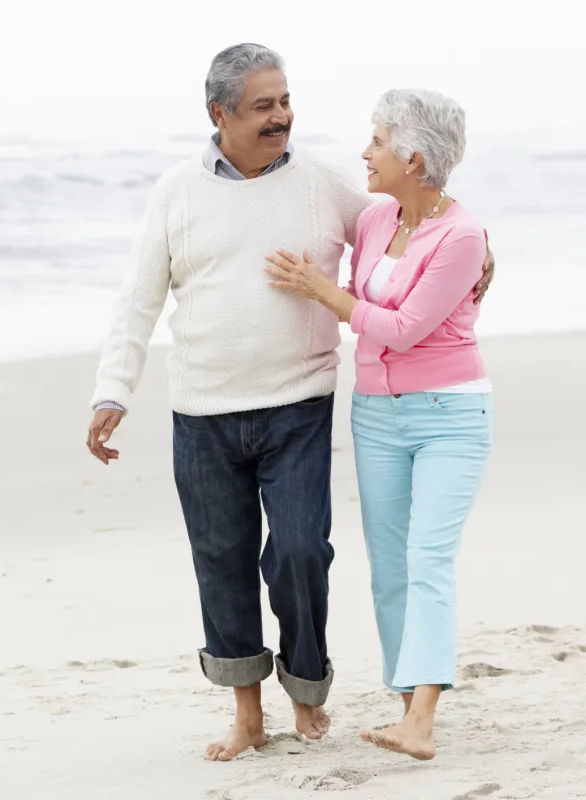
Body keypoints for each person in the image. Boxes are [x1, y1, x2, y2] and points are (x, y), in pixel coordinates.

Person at [87, 46, 493, 763]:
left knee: (302, 551)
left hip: (298, 405)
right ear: (220, 114)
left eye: (284, 100)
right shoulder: (177, 191)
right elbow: (138, 298)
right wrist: (113, 390)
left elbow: (415, 219)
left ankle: (307, 685)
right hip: (204, 408)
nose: (283, 117)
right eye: (264, 106)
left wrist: (482, 253)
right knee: (223, 560)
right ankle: (248, 713)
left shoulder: (323, 184)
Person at [265, 88, 494, 761]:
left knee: (428, 559)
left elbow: (400, 328)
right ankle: (406, 706)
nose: (365, 153)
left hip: (451, 415)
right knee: (389, 570)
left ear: (413, 156)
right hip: (376, 416)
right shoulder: (374, 220)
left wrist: (324, 294)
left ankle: (421, 719)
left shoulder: (462, 235)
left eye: (377, 141)